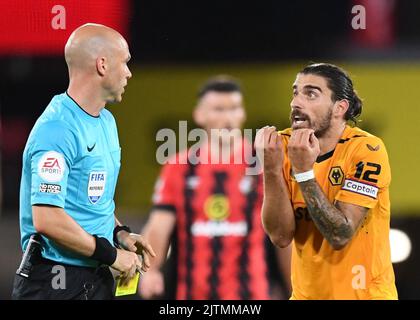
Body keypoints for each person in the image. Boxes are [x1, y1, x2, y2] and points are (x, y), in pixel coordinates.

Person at [12, 23, 155, 300]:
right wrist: (112, 255)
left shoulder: (106, 121)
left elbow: (90, 201)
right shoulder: (57, 129)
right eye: (124, 62)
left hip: (94, 275)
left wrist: (120, 233)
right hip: (54, 281)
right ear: (102, 64)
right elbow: (48, 219)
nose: (129, 72)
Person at [139, 76, 291, 300]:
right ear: (199, 115)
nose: (227, 117)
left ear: (243, 113)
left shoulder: (263, 163)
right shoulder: (179, 166)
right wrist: (150, 271)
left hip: (251, 297)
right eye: (219, 109)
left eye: (234, 108)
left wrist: (294, 288)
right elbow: (159, 225)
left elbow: (282, 233)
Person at [256, 63, 398, 300]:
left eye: (310, 93)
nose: (296, 103)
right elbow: (280, 237)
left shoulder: (366, 150)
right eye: (295, 92)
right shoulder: (281, 146)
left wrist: (303, 172)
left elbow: (340, 234)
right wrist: (270, 169)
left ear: (339, 107)